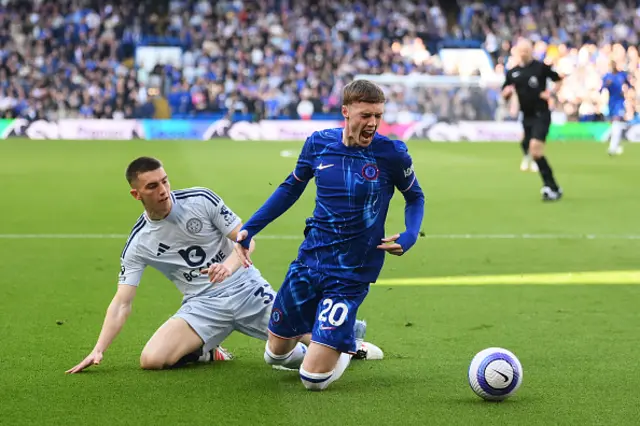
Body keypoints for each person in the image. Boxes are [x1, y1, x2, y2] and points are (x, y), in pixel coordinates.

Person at [234, 79, 425, 391]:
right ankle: (336, 337)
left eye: (378, 115)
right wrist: (250, 228)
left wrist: (410, 235)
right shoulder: (318, 144)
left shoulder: (392, 153)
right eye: (366, 115)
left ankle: (347, 341)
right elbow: (290, 188)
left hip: (352, 271)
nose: (373, 123)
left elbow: (415, 196)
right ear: (346, 112)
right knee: (274, 356)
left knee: (313, 380)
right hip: (309, 260)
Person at [502, 38, 564, 201]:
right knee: (528, 146)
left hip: (541, 115)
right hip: (526, 116)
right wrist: (507, 94)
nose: (523, 53)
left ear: (531, 51)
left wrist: (551, 94)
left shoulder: (540, 68)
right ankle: (553, 187)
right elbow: (505, 91)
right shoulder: (513, 72)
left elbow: (558, 79)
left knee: (536, 151)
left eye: (526, 50)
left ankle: (551, 187)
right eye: (521, 50)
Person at [601, 60, 632, 156]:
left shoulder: (622, 75)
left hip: (619, 102)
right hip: (611, 102)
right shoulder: (607, 76)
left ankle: (613, 147)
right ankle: (616, 145)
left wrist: (625, 91)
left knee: (616, 121)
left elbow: (629, 84)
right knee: (615, 124)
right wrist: (607, 84)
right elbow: (602, 88)